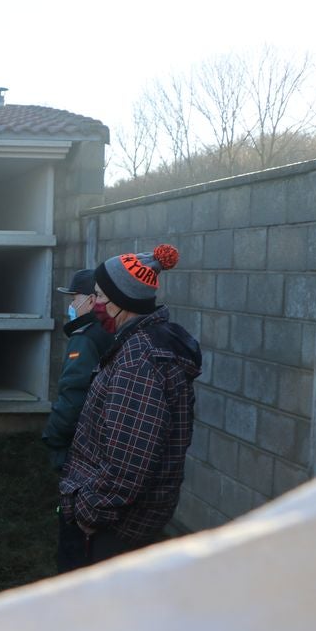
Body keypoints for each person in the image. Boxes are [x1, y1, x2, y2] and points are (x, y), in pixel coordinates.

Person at [56, 244, 201, 573]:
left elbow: (128, 465)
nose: (94, 305)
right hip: (120, 526)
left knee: (91, 617)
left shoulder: (138, 362)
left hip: (109, 532)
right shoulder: (141, 344)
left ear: (122, 301)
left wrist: (87, 514)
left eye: (98, 295)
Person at [42, 268, 113, 471]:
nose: (71, 305)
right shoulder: (112, 329)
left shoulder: (85, 337)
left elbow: (74, 394)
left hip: (81, 443)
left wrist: (54, 436)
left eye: (74, 298)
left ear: (91, 300)